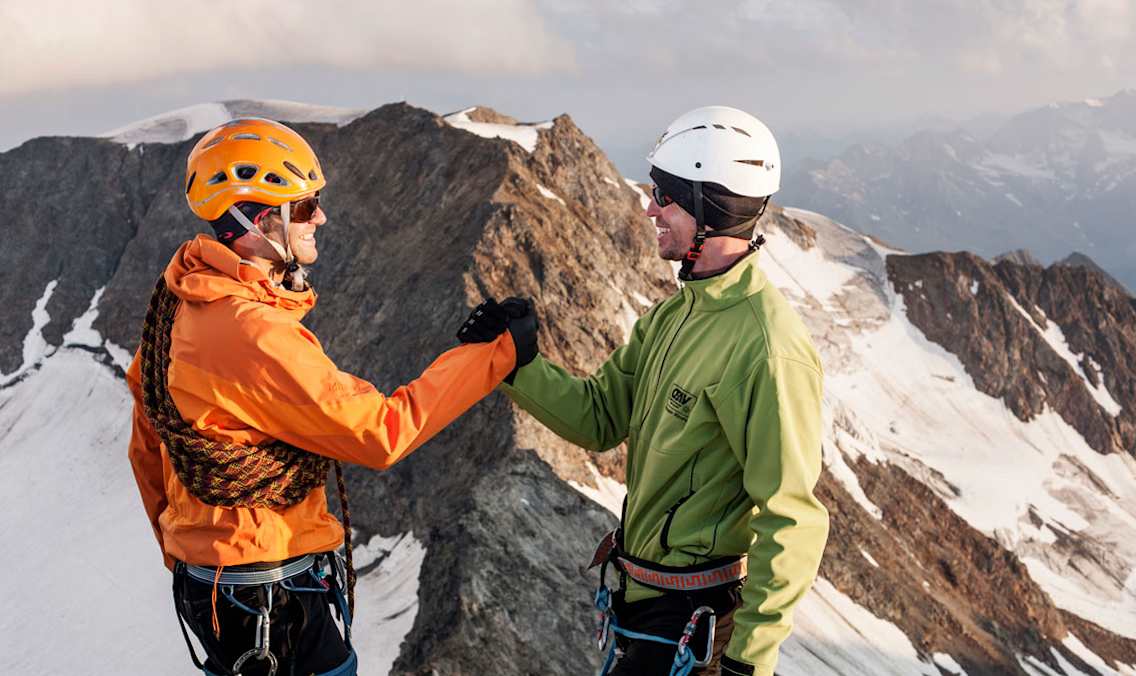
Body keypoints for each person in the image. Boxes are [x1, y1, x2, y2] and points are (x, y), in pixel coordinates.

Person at [126, 117, 532, 676]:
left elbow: (148, 444)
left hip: (218, 585)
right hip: (271, 590)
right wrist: (496, 353)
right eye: (302, 206)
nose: (320, 216)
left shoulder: (180, 299)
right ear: (255, 218)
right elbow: (381, 432)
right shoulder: (252, 330)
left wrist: (189, 547)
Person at [492, 106, 829, 675]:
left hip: (697, 630)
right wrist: (516, 362)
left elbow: (792, 516)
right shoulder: (672, 317)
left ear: (711, 207)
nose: (649, 208)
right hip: (650, 616)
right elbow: (598, 419)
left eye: (665, 196)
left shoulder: (766, 347)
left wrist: (747, 664)